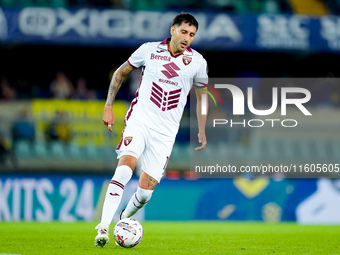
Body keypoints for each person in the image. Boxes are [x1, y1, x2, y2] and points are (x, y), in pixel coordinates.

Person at [95, 12, 208, 247]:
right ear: (173, 30)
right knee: (125, 166)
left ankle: (123, 219)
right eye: (184, 32)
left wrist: (203, 129)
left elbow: (202, 97)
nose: (187, 38)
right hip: (140, 121)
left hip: (166, 133)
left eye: (192, 35)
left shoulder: (198, 62)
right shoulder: (148, 50)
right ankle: (103, 228)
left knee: (146, 192)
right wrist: (108, 107)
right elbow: (120, 72)